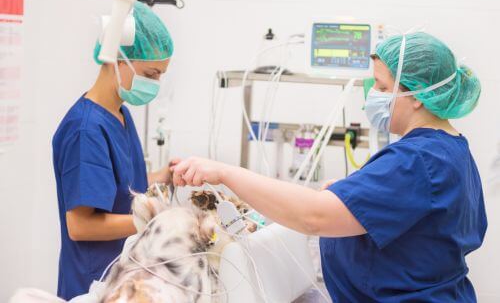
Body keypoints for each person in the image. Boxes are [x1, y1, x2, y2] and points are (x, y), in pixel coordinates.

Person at [171, 32, 487, 302]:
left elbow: (314, 216)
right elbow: (411, 219)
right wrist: (348, 196)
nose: (371, 95)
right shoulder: (449, 148)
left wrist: (226, 173)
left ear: (416, 95)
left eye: (379, 85)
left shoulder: (419, 159)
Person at [52, 2, 174, 300]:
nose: (155, 83)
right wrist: (157, 220)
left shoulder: (119, 112)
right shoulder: (86, 129)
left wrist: (164, 176)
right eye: (151, 73)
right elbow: (80, 226)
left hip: (123, 275)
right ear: (118, 60)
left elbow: (119, 185)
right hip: (93, 283)